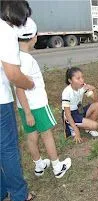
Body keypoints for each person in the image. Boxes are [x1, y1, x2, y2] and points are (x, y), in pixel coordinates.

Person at [14, 18, 72, 179]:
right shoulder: (26, 59)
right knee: (47, 135)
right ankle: (57, 166)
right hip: (36, 105)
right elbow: (20, 88)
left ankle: (39, 165)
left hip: (23, 105)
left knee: (31, 135)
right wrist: (28, 112)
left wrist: (25, 111)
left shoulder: (15, 56)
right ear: (34, 37)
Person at [0, 0, 35, 201]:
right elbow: (13, 74)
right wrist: (28, 83)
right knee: (8, 148)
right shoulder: (5, 31)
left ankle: (1, 190)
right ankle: (20, 195)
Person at [62, 67, 98, 143]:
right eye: (78, 78)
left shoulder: (83, 87)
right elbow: (67, 113)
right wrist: (76, 130)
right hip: (70, 114)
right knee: (95, 125)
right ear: (70, 81)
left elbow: (96, 100)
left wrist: (94, 90)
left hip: (79, 110)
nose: (82, 80)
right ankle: (72, 126)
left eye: (82, 77)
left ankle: (88, 128)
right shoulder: (67, 92)